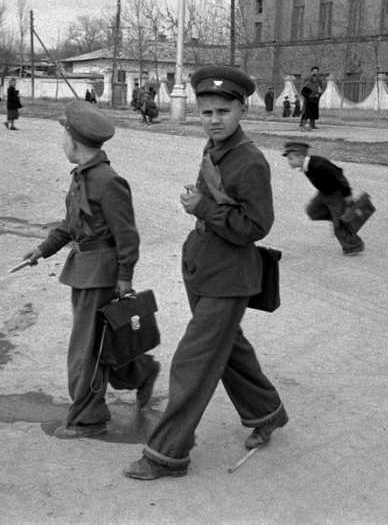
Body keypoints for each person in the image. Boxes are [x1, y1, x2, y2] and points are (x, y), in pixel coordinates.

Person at [123, 65, 287, 481]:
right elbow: (215, 200)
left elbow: (256, 225)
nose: (214, 120)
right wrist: (199, 202)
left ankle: (166, 454)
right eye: (206, 112)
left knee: (192, 361)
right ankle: (266, 412)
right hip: (204, 264)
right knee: (228, 348)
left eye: (223, 111)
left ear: (242, 109)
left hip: (229, 276)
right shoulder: (214, 149)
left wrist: (204, 207)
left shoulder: (250, 160)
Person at [21, 101, 161, 439]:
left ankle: (89, 418)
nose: (61, 142)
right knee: (102, 341)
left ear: (74, 141)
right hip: (84, 270)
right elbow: (70, 225)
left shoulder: (108, 181)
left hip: (102, 276)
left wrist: (124, 279)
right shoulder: (82, 176)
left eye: (63, 136)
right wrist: (42, 250)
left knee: (85, 348)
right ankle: (141, 373)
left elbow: (127, 236)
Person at [283, 142, 365, 256]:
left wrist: (347, 194)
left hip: (336, 194)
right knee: (312, 212)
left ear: (301, 157)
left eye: (291, 159)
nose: (289, 162)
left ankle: (353, 247)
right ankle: (338, 218)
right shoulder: (306, 165)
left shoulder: (318, 165)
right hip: (323, 193)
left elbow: (339, 175)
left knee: (339, 224)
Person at [300, 66, 323, 131]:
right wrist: (310, 96)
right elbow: (304, 91)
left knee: (313, 114)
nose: (315, 72)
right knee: (306, 113)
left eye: (316, 71)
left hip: (315, 100)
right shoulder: (308, 81)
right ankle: (302, 125)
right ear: (311, 72)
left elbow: (320, 90)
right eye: (314, 71)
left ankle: (311, 126)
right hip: (309, 100)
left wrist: (318, 95)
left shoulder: (319, 82)